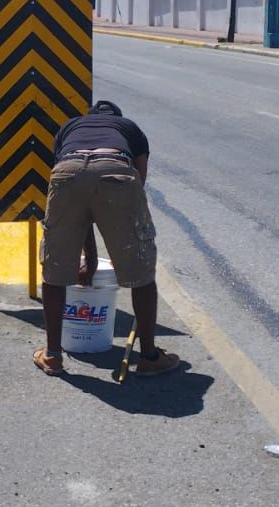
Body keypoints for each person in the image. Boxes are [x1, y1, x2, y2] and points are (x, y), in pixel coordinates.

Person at [33, 100, 180, 377]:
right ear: (117, 119)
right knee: (142, 273)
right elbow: (139, 182)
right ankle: (149, 356)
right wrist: (123, 234)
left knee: (55, 268)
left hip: (68, 171)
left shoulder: (70, 127)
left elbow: (81, 210)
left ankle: (52, 355)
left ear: (88, 118)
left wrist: (88, 258)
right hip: (117, 169)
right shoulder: (129, 129)